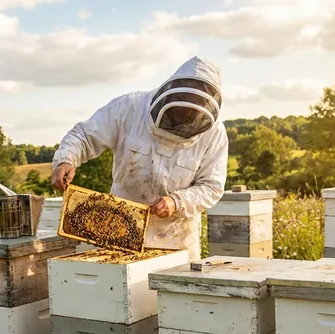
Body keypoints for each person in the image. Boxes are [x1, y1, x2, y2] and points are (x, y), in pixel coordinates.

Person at [51, 56, 229, 261]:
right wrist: (66, 159)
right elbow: (84, 135)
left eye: (190, 116)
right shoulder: (129, 108)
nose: (182, 120)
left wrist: (176, 201)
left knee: (170, 292)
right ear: (170, 91)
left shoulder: (214, 134)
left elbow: (211, 187)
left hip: (176, 238)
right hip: (119, 229)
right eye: (179, 113)